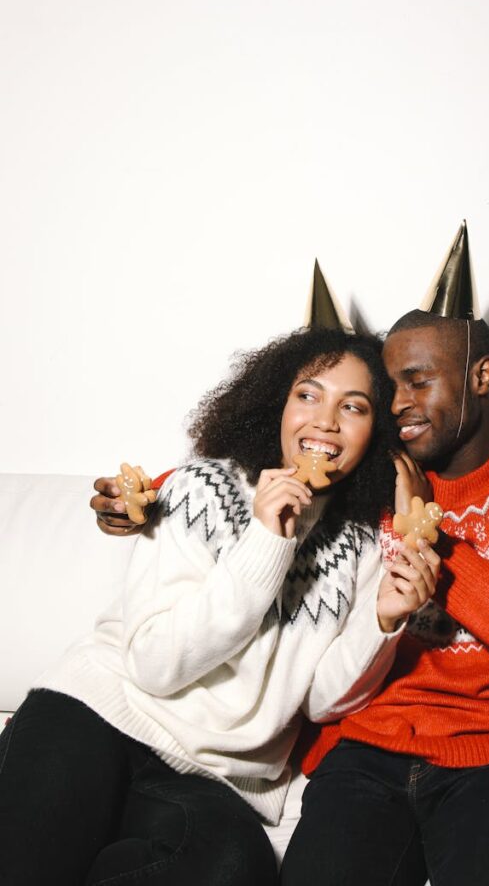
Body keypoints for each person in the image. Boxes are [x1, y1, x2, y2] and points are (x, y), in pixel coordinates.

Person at [0, 326, 441, 886]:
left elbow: (320, 700)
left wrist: (383, 621)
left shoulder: (363, 546)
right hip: (98, 714)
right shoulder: (202, 488)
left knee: (234, 866)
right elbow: (155, 666)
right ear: (277, 405)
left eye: (352, 407)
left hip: (216, 777)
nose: (325, 421)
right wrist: (266, 542)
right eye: (307, 395)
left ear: (374, 431)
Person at [279, 308, 489, 886]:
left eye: (419, 382)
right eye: (390, 388)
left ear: (482, 377)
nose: (398, 404)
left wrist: (429, 529)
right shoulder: (375, 476)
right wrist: (151, 501)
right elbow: (265, 475)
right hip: (368, 750)